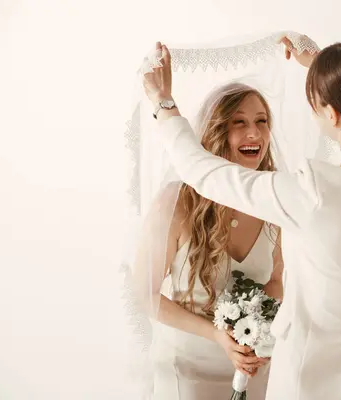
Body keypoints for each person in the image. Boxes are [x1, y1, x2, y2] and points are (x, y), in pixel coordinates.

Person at [143, 35, 341, 400]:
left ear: (330, 114)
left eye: (315, 107)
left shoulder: (314, 191)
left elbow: (202, 171)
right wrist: (325, 71)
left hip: (313, 384)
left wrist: (163, 102)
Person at [131, 82, 284, 400]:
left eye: (261, 121)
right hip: (187, 372)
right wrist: (217, 334)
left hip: (251, 370)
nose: (254, 133)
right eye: (239, 122)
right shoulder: (176, 202)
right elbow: (144, 295)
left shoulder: (273, 202)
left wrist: (259, 326)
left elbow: (276, 280)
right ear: (216, 132)